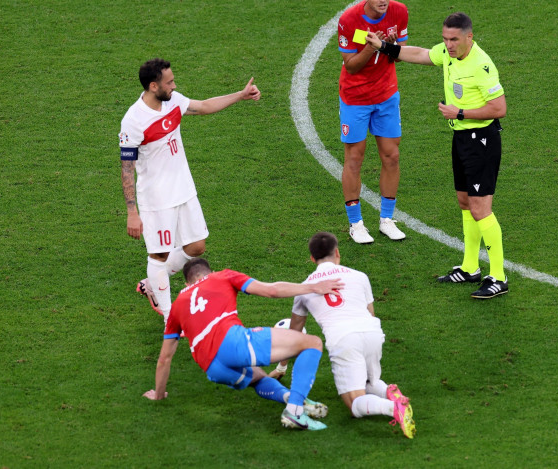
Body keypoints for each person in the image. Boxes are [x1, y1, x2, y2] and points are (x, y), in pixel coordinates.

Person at [365, 12, 509, 299]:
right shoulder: (447, 53)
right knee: (465, 201)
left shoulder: (481, 65)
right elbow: (421, 53)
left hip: (481, 139)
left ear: (469, 37)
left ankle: (499, 276)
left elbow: (499, 108)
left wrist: (460, 113)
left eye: (454, 39)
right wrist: (386, 48)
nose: (448, 45)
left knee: (481, 208)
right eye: (445, 39)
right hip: (461, 138)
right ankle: (470, 267)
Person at [119, 58, 261, 322]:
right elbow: (126, 168)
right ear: (153, 86)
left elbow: (204, 107)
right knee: (159, 255)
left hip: (183, 189)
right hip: (157, 198)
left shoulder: (172, 101)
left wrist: (240, 95)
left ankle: (151, 284)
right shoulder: (133, 121)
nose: (174, 86)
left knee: (196, 247)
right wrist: (131, 211)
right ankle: (169, 317)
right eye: (169, 82)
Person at [142, 257, 343, 431]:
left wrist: (159, 394)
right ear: (209, 272)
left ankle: (289, 397)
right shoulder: (221, 276)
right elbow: (271, 291)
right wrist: (313, 287)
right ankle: (295, 411)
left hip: (212, 367)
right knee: (313, 343)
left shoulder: (177, 305)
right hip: (232, 342)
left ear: (187, 284)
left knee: (257, 377)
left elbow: (164, 358)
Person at [271, 232, 416, 438]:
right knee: (369, 381)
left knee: (354, 403)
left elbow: (293, 334)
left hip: (343, 340)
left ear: (312, 258)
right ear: (337, 253)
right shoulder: (360, 276)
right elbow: (370, 312)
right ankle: (388, 391)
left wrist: (281, 366)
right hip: (373, 332)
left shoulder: (304, 288)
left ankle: (393, 408)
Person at [337, 0, 409, 244]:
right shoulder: (349, 20)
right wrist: (371, 46)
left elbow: (399, 54)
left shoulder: (399, 12)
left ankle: (386, 219)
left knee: (391, 156)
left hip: (387, 95)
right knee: (354, 158)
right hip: (355, 98)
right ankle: (356, 224)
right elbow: (351, 65)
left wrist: (385, 45)